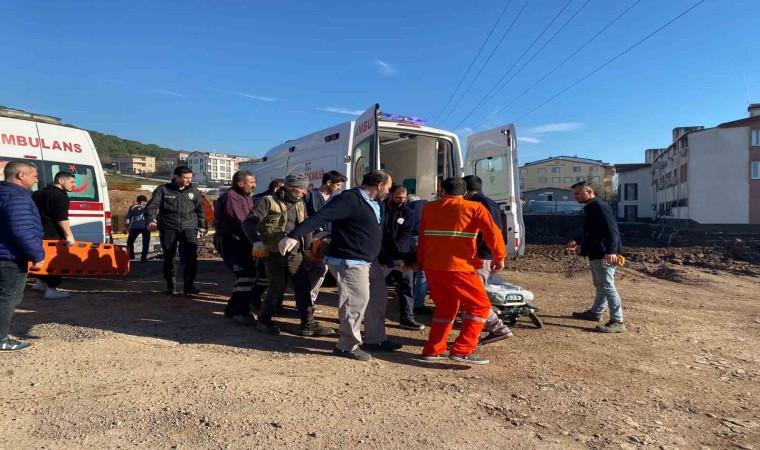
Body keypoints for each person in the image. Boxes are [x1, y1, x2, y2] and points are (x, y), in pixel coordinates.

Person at [281, 170, 401, 362]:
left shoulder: (376, 204)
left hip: (370, 261)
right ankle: (346, 346)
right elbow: (320, 217)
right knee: (354, 304)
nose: (389, 191)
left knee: (377, 300)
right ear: (379, 185)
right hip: (350, 261)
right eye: (388, 187)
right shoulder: (349, 199)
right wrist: (293, 235)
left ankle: (375, 339)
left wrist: (396, 255)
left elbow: (379, 231)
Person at [418, 177, 505, 365]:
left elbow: (423, 237)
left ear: (442, 190)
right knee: (480, 306)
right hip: (459, 268)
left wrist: (420, 261)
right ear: (464, 192)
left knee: (446, 308)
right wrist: (500, 257)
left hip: (433, 267)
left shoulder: (429, 208)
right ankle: (463, 350)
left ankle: (433, 349)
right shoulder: (474, 208)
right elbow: (493, 233)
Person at [242, 172, 334, 337]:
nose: (305, 192)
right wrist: (256, 241)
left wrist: (307, 249)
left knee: (302, 286)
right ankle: (264, 321)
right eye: (302, 189)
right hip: (273, 252)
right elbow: (248, 223)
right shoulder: (267, 201)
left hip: (295, 252)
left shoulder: (299, 202)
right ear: (289, 188)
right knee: (277, 287)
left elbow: (305, 225)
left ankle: (308, 324)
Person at [567, 182, 625, 333]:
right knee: (600, 285)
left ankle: (618, 321)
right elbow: (593, 230)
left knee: (607, 286)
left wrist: (612, 251)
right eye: (574, 194)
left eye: (578, 194)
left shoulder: (600, 207)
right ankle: (596, 313)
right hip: (596, 252)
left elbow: (612, 230)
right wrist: (578, 240)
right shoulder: (591, 208)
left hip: (604, 253)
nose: (576, 197)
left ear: (590, 192)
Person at [463, 175, 514, 344]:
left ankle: (497, 328)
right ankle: (473, 334)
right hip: (483, 255)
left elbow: (490, 233)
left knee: (474, 298)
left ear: (466, 190)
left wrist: (482, 255)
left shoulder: (479, 205)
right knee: (474, 296)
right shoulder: (489, 203)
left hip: (479, 257)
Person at [0, 161, 45, 351]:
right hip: (9, 256)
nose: (36, 180)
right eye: (34, 176)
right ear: (21, 175)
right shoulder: (17, 197)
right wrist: (37, 254)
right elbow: (22, 230)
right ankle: (1, 339)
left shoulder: (4, 192)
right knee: (8, 298)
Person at [144, 166, 207, 296]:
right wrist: (151, 220)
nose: (189, 181)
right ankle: (170, 286)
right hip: (168, 227)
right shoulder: (163, 190)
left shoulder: (194, 191)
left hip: (189, 227)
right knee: (169, 256)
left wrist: (202, 226)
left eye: (190, 178)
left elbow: (200, 210)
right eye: (185, 178)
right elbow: (152, 206)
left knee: (191, 257)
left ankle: (189, 287)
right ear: (176, 177)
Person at [214, 170, 258, 326]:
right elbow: (240, 222)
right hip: (230, 241)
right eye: (251, 182)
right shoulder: (230, 198)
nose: (254, 185)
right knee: (246, 275)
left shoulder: (247, 197)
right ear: (240, 183)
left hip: (243, 241)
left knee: (248, 275)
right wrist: (257, 238)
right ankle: (240, 312)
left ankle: (232, 310)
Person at [379, 185, 424, 331]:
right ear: (390, 195)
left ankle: (407, 318)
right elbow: (380, 231)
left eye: (404, 198)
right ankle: (366, 316)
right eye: (398, 197)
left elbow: (406, 234)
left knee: (407, 286)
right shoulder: (379, 208)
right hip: (381, 254)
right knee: (375, 287)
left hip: (401, 255)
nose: (401, 200)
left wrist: (398, 255)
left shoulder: (407, 212)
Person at [302, 171, 347, 307]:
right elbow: (303, 218)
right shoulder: (309, 196)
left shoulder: (337, 200)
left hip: (328, 242)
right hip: (309, 240)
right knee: (308, 270)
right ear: (328, 183)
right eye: (338, 185)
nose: (340, 188)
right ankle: (304, 300)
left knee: (322, 270)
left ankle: (309, 301)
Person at [31, 171, 76, 299]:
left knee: (41, 258)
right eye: (72, 182)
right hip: (53, 234)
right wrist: (69, 236)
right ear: (61, 181)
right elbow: (62, 218)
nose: (74, 185)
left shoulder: (38, 193)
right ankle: (52, 289)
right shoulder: (61, 196)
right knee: (55, 261)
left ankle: (41, 282)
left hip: (37, 233)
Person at [407, 195, 434, 315]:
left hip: (408, 239)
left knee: (409, 271)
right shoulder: (426, 204)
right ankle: (418, 304)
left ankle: (408, 300)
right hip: (422, 238)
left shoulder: (406, 207)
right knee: (422, 272)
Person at [125, 195, 151, 262]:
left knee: (146, 242)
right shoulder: (132, 207)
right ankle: (131, 256)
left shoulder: (148, 206)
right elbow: (128, 217)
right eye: (140, 202)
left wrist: (140, 206)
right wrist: (127, 227)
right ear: (138, 201)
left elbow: (148, 209)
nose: (142, 203)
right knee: (130, 242)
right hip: (135, 227)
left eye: (143, 202)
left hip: (146, 227)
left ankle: (144, 257)